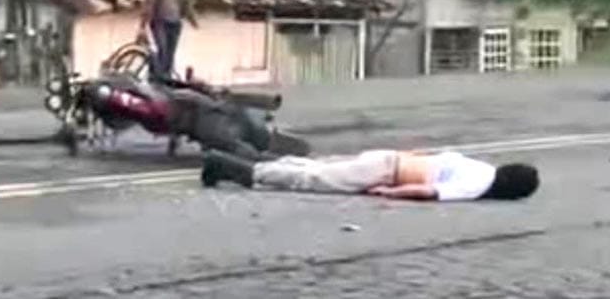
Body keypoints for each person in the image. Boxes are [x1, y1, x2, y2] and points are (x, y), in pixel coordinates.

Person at [200, 148, 539, 201]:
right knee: (316, 180)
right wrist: (390, 193)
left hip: (392, 158)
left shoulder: (482, 167)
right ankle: (232, 167)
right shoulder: (479, 184)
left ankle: (245, 160)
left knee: (319, 169)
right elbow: (429, 193)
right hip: (389, 172)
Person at [137, 0, 198, 80]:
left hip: (175, 23)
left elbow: (187, 3)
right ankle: (157, 78)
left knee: (170, 54)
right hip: (159, 22)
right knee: (162, 50)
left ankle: (166, 79)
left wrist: (193, 20)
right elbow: (149, 3)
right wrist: (142, 25)